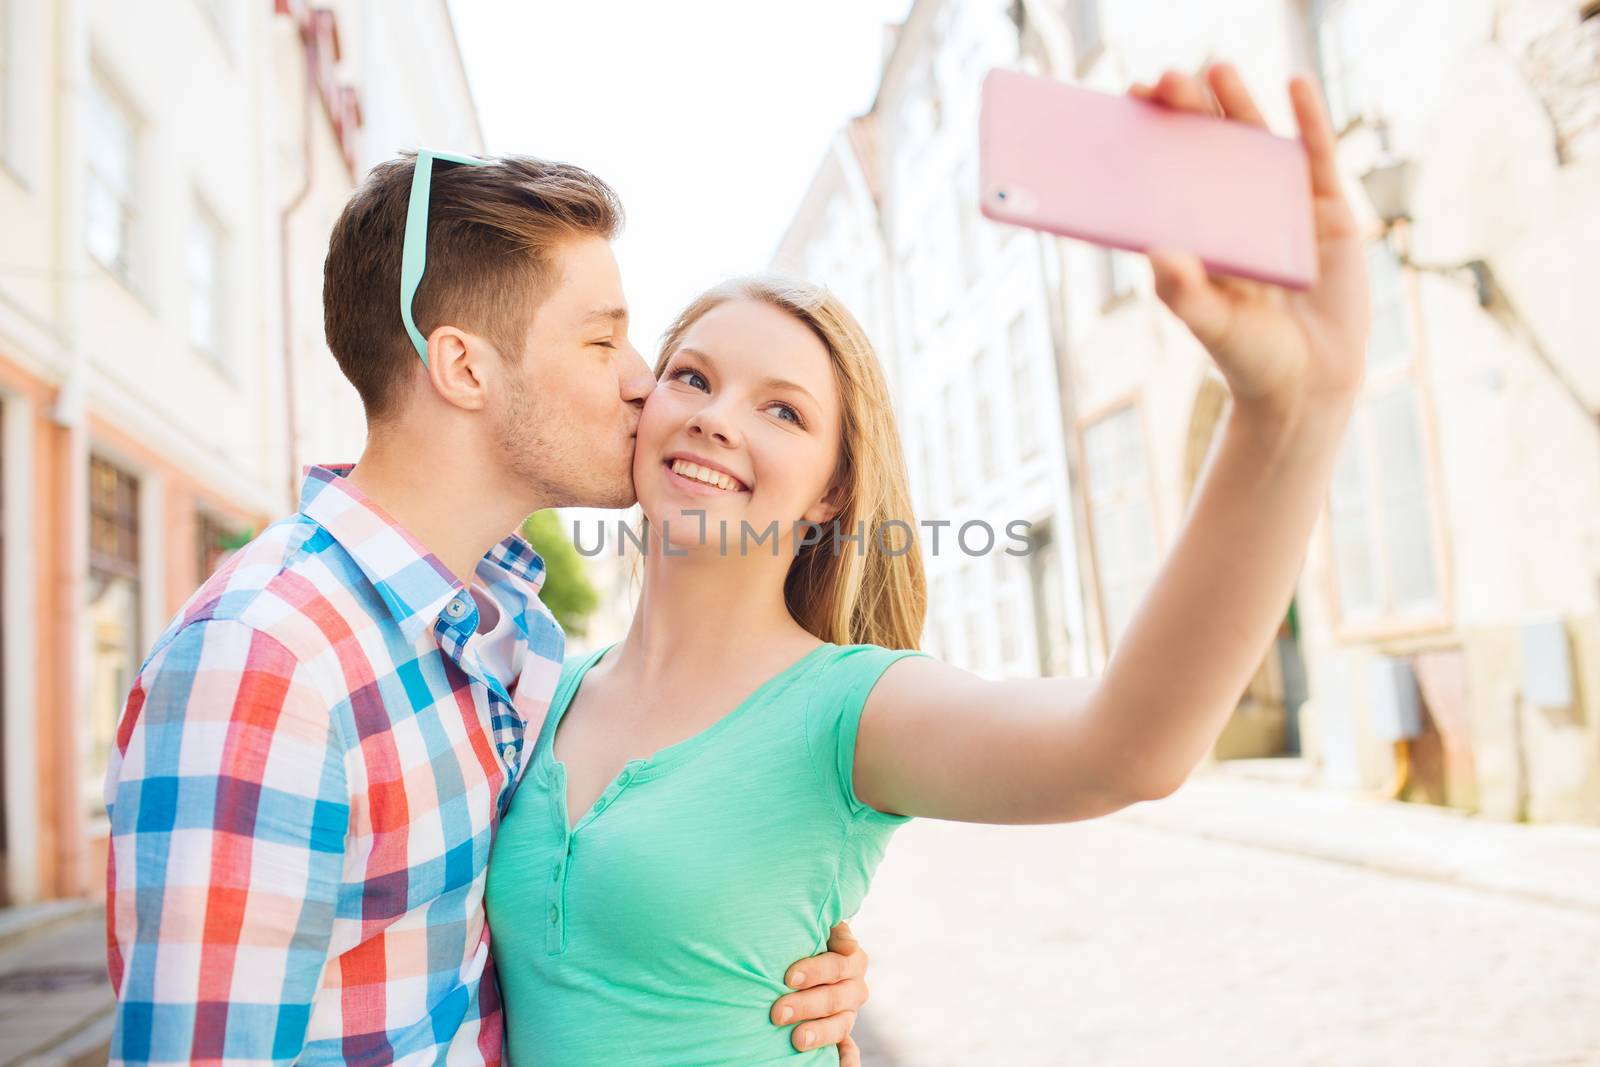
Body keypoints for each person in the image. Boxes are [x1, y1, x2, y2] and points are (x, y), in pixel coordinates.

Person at [485, 63, 1370, 1066]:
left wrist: (1285, 413)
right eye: (692, 376)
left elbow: (1122, 746)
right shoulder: (543, 689)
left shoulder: (852, 709)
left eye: (783, 408)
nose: (717, 417)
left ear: (828, 489)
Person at [103, 152, 878, 1063]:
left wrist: (757, 976)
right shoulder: (266, 661)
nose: (643, 381)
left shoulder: (513, 643)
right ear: (464, 367)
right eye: (603, 342)